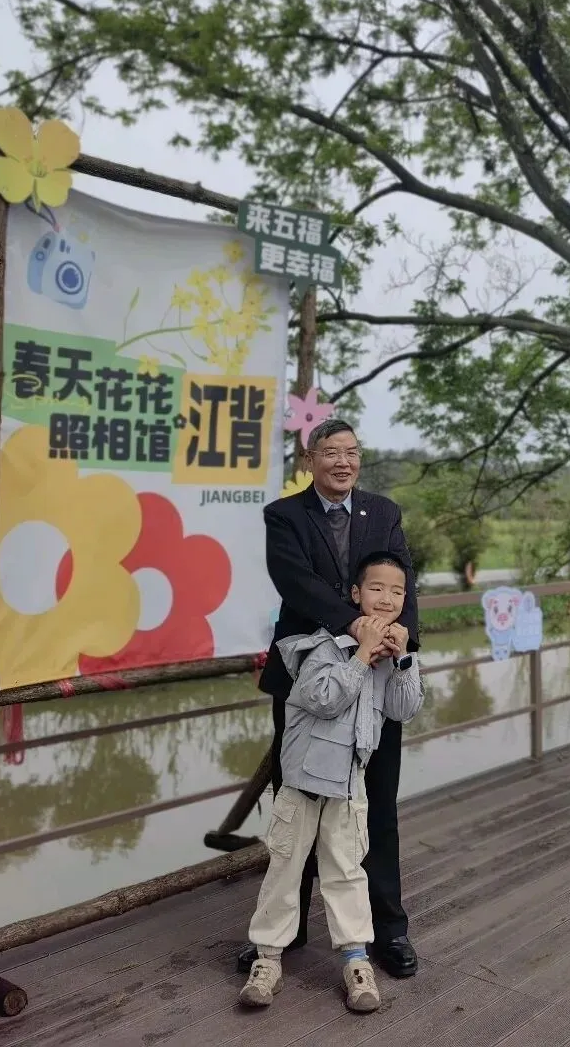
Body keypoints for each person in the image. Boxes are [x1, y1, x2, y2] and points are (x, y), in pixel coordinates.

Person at [238, 418, 421, 980]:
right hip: (310, 681)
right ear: (310, 458)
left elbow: (403, 582)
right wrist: (355, 624)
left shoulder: (383, 512)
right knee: (297, 808)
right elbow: (296, 584)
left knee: (378, 805)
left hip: (378, 675)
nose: (343, 462)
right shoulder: (285, 516)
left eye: (352, 452)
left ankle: (388, 930)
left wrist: (400, 640)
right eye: (331, 452)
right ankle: (284, 933)